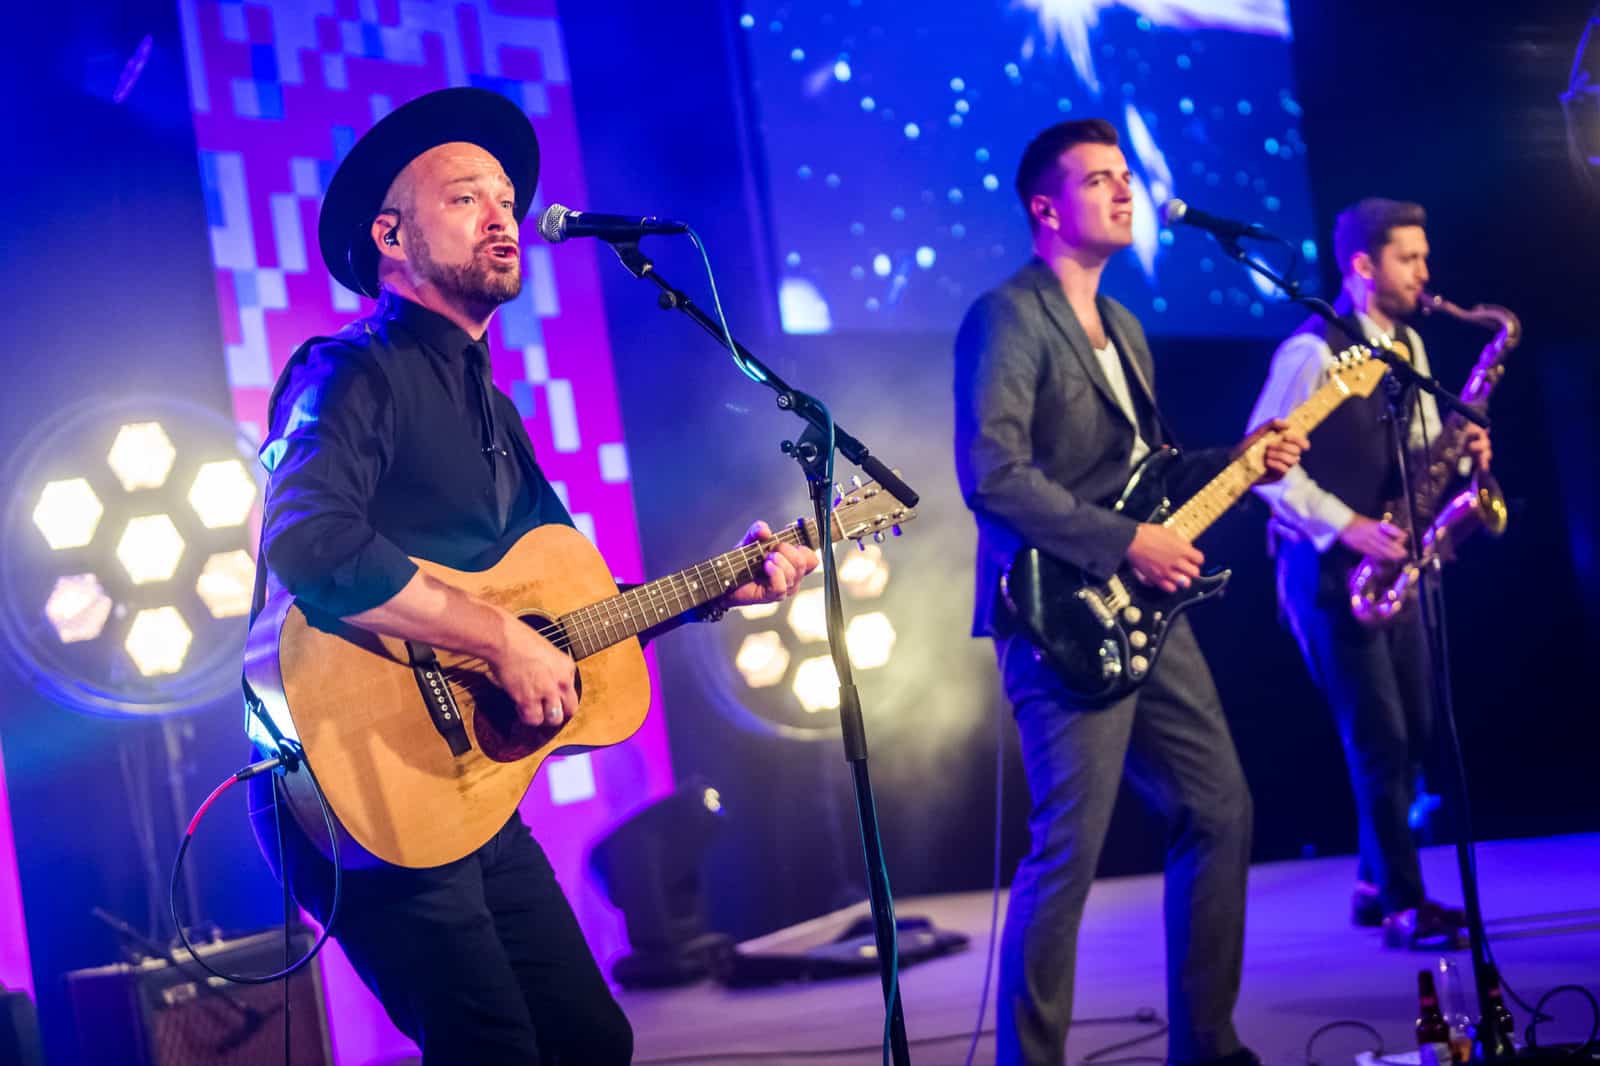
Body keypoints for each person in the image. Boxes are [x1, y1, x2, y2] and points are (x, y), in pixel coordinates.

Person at [248, 87, 817, 1064]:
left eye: (507, 200)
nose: (502, 216)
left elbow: (561, 619)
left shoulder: (494, 410)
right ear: (391, 236)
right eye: (466, 198)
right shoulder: (349, 372)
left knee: (588, 1040)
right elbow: (307, 540)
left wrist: (713, 593)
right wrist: (495, 638)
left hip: (459, 791)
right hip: (353, 784)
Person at [953, 117, 1307, 1066]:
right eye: (1098, 178)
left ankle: (1208, 1045)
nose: (1124, 190)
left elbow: (1150, 475)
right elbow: (992, 473)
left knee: (1219, 808)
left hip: (1148, 614)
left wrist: (1240, 461)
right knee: (1069, 849)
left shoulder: (1128, 330)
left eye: (1125, 175)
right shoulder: (1008, 316)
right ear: (1045, 208)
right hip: (1058, 614)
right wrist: (1127, 544)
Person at [1245, 198, 1489, 951]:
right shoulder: (1311, 353)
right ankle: (1404, 904)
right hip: (1325, 571)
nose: (1424, 272)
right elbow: (1261, 466)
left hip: (1395, 565)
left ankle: (1370, 881)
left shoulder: (1409, 345)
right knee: (1378, 737)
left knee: (1412, 730)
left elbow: (1420, 445)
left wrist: (1462, 449)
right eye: (1408, 258)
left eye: (1423, 256)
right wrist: (1346, 525)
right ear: (1361, 266)